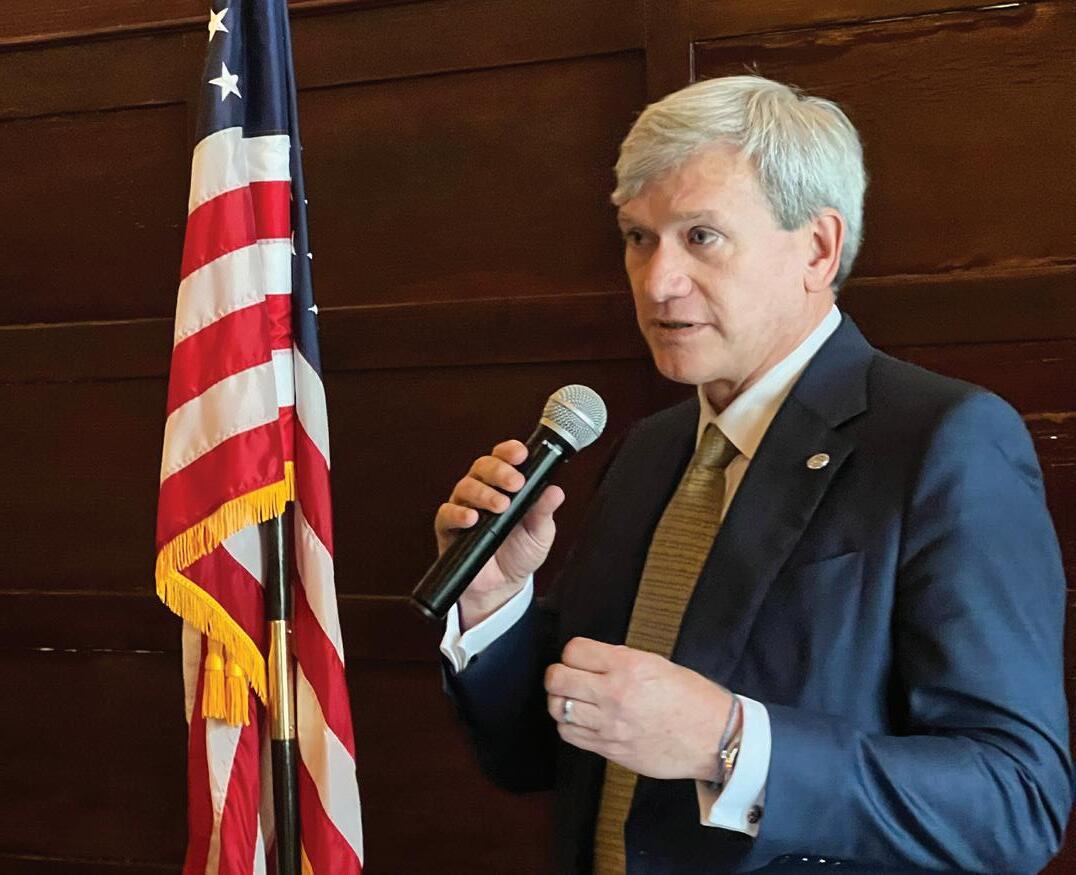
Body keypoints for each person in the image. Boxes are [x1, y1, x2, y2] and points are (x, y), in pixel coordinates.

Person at [433, 75, 1072, 873]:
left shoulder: (945, 441)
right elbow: (541, 755)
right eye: (639, 237)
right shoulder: (647, 451)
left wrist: (730, 743)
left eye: (701, 236)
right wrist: (494, 604)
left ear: (818, 248)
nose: (657, 281)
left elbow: (1016, 800)